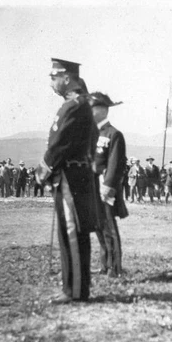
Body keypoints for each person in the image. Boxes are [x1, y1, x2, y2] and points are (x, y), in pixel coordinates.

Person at [35, 58, 101, 303]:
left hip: (70, 177)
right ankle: (74, 288)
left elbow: (58, 143)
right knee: (74, 232)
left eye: (54, 78)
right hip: (77, 175)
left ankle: (74, 291)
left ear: (66, 77)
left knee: (72, 232)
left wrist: (42, 171)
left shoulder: (73, 106)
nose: (52, 83)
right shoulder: (80, 104)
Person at [89, 92, 128, 278]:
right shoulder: (90, 134)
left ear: (102, 110)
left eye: (92, 108)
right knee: (98, 226)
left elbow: (115, 164)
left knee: (109, 227)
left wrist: (108, 186)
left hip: (105, 187)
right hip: (91, 186)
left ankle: (116, 268)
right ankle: (105, 265)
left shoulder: (114, 134)